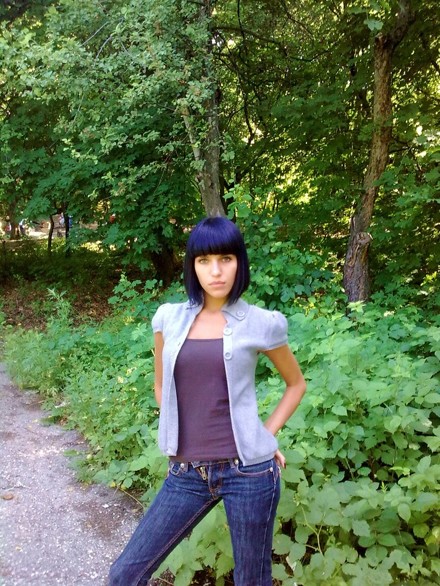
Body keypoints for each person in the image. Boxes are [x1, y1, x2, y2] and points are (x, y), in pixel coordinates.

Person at [109, 216, 306, 586]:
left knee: (251, 580)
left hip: (249, 474)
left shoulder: (262, 323)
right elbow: (161, 388)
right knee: (125, 574)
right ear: (192, 265)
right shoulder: (168, 319)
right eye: (204, 261)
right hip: (187, 474)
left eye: (226, 259)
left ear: (239, 262)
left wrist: (263, 437)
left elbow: (296, 385)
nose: (216, 271)